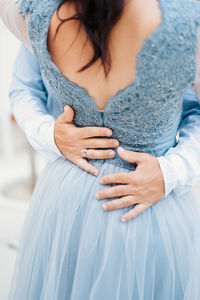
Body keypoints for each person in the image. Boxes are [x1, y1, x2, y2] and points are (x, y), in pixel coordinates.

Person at [1, 0, 200, 299]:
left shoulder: (34, 12)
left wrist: (171, 172)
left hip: (116, 199)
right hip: (90, 205)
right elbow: (23, 88)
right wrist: (51, 135)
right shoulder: (189, 20)